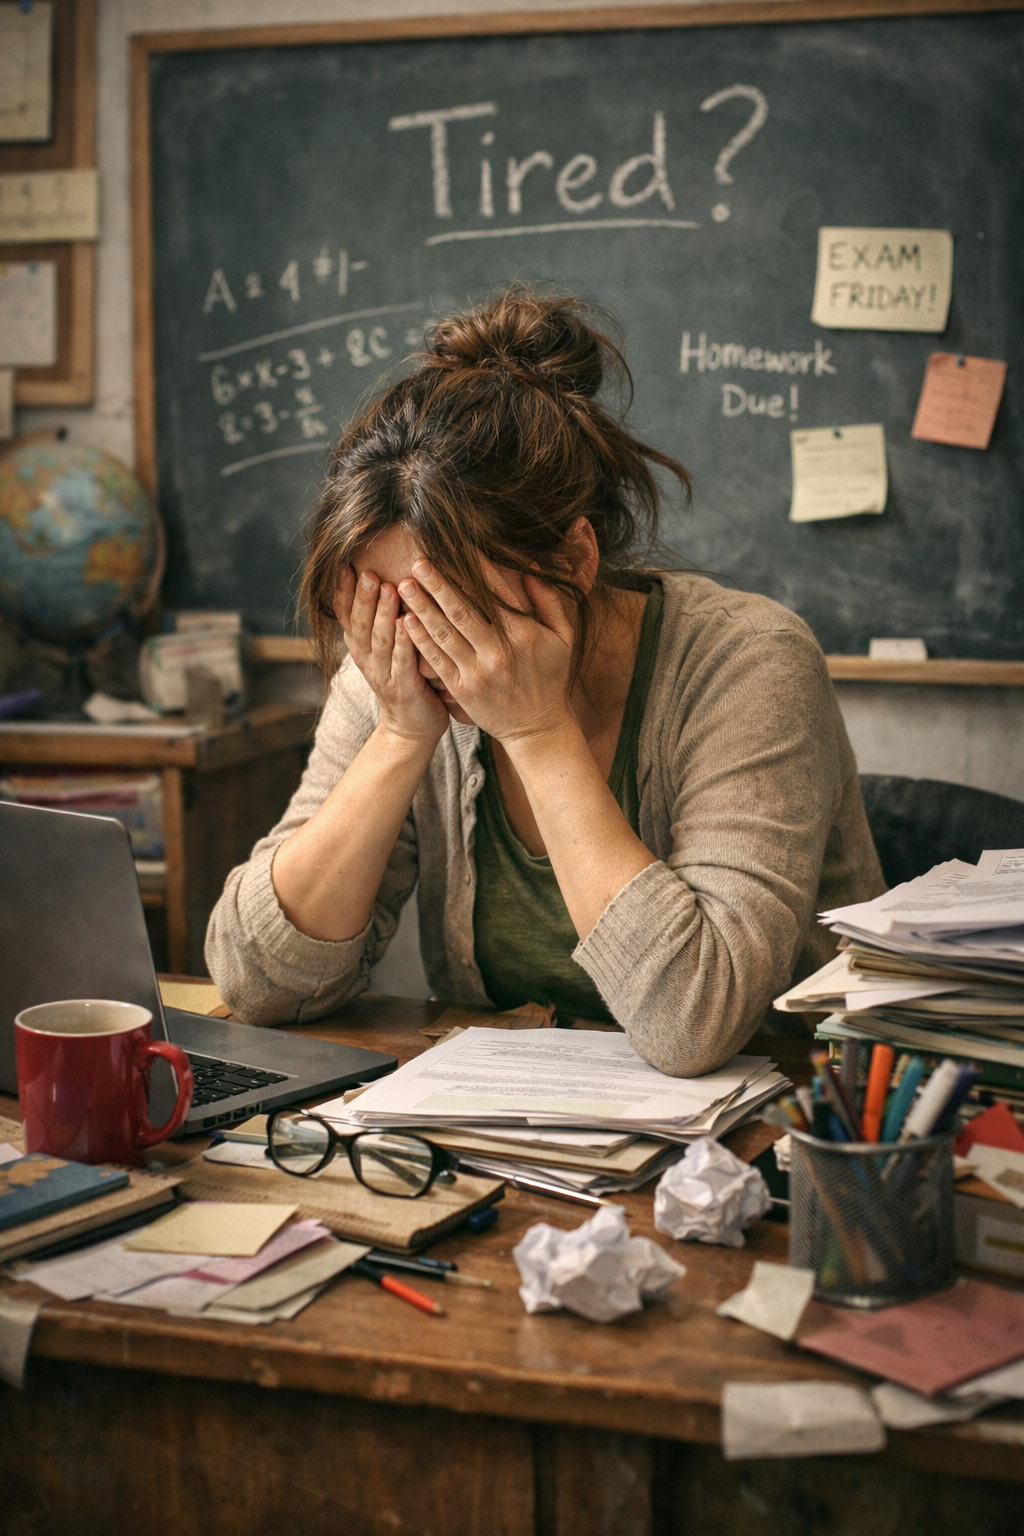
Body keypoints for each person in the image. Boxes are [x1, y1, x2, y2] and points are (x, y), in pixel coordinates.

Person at [206, 288, 884, 1077]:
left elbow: (697, 1022)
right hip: (527, 1144)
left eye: (451, 607)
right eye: (387, 609)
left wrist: (536, 732)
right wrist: (398, 737)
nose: (420, 645)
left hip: (783, 1138)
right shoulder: (395, 675)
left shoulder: (749, 664)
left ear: (574, 560)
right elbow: (252, 983)